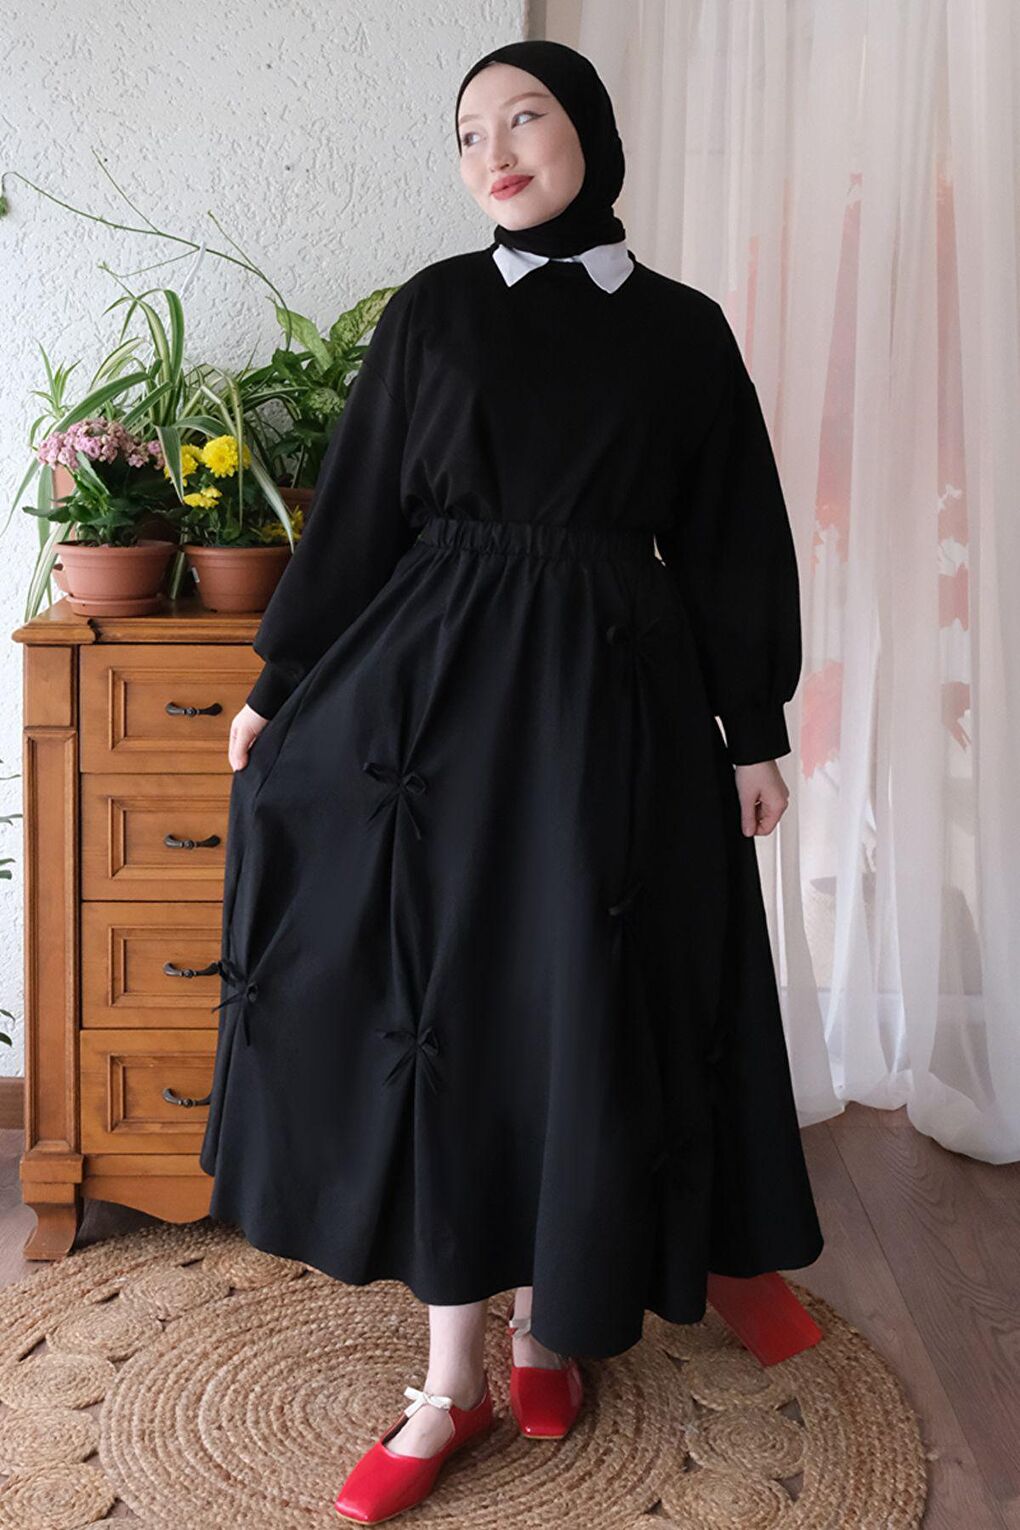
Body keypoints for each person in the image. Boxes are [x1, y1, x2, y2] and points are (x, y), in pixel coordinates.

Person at [198, 38, 825, 1525]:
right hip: (439, 706)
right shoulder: (434, 310)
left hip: (615, 707)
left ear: (590, 132)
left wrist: (751, 729)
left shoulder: (682, 331)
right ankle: (448, 1379)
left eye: (524, 117)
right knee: (450, 1012)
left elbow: (732, 537)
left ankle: (553, 1322)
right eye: (468, 129)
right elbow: (362, 510)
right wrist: (279, 685)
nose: (494, 149)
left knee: (572, 1002)